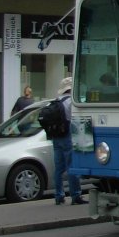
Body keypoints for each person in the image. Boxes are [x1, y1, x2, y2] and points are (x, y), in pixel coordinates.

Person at [52, 76, 84, 206]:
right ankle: (75, 195)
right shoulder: (71, 102)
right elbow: (78, 119)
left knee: (58, 169)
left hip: (56, 137)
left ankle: (59, 196)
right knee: (72, 167)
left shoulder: (56, 101)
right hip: (68, 136)